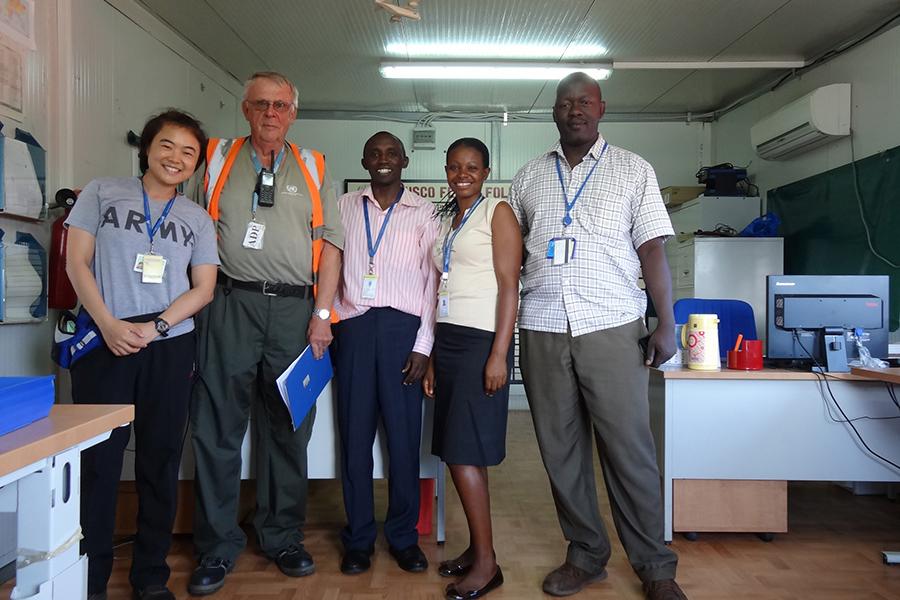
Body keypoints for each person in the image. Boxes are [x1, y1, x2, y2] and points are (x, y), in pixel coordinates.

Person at [508, 72, 688, 600]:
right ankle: (585, 554)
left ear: (601, 108)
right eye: (566, 103)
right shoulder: (528, 177)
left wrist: (666, 321)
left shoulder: (634, 170)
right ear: (555, 112)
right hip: (542, 326)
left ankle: (656, 567)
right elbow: (510, 257)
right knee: (560, 452)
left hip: (611, 325)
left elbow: (652, 249)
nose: (575, 110)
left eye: (585, 101)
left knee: (629, 450)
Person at [185, 71, 343, 596]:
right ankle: (216, 545)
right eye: (260, 104)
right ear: (246, 110)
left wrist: (323, 315)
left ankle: (282, 536)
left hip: (296, 312)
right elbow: (186, 228)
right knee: (217, 426)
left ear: (292, 113)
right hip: (228, 304)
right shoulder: (215, 159)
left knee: (289, 426)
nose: (270, 113)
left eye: (280, 105)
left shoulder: (314, 166)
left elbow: (332, 248)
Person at [65, 109, 219, 600]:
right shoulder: (102, 192)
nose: (176, 158)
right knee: (99, 462)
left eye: (188, 152)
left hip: (168, 346)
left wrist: (157, 328)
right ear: (147, 148)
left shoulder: (197, 218)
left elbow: (204, 287)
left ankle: (150, 575)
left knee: (160, 459)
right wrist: (108, 324)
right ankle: (90, 578)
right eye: (167, 145)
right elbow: (76, 262)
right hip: (104, 342)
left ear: (196, 164)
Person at [332, 131, 438, 575]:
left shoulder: (424, 212)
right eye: (374, 153)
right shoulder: (343, 206)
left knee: (403, 441)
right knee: (354, 441)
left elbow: (433, 283)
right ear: (364, 161)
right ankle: (358, 539)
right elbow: (329, 267)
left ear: (405, 160)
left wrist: (423, 346)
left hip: (402, 334)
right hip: (353, 331)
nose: (383, 159)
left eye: (392, 153)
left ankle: (403, 537)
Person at [423, 138, 521, 600]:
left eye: (472, 167)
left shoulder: (497, 213)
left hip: (481, 342)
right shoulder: (449, 220)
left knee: (466, 454)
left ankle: (487, 565)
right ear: (446, 171)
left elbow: (509, 286)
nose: (462, 174)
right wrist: (432, 355)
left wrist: (499, 354)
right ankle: (479, 549)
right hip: (449, 341)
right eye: (454, 167)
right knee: (455, 450)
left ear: (486, 172)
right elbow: (440, 286)